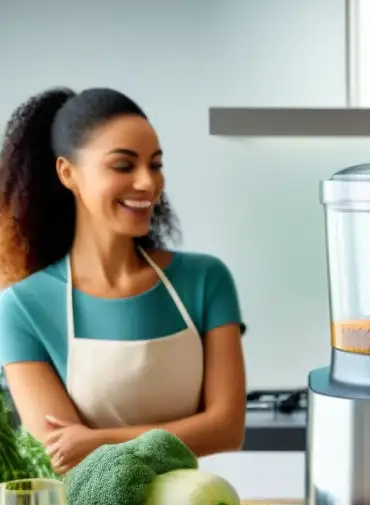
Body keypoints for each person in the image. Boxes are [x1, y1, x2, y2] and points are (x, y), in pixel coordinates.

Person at [0, 87, 246, 474]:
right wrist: (185, 434)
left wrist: (98, 439)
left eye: (156, 164)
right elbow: (66, 459)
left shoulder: (205, 280)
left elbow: (227, 428)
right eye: (123, 166)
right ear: (68, 173)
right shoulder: (23, 307)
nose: (148, 183)